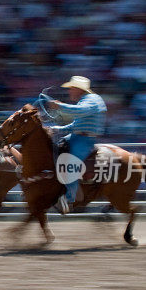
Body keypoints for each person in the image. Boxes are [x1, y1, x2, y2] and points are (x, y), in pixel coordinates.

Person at [47, 75, 107, 214]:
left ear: (78, 89)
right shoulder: (85, 101)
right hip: (76, 137)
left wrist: (59, 106)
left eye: (71, 89)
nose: (69, 92)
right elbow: (75, 124)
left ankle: (70, 198)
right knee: (52, 153)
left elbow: (79, 112)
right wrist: (57, 129)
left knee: (70, 165)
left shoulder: (92, 100)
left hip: (85, 140)